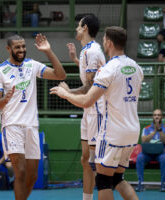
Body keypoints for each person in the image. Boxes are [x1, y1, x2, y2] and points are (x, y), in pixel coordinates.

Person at [50, 26, 142, 200]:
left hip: (112, 132)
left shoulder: (108, 70)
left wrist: (65, 94)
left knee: (103, 181)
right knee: (117, 179)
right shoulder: (136, 67)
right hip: (132, 131)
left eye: (104, 40)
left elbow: (87, 101)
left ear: (108, 42)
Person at [0, 34, 66, 200]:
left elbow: (60, 75)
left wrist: (48, 51)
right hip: (11, 125)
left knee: (32, 177)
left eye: (23, 46)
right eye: (17, 47)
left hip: (31, 125)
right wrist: (5, 98)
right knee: (21, 172)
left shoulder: (32, 65)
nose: (21, 50)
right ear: (8, 49)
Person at [65, 15, 105, 200]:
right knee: (85, 160)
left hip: (97, 108)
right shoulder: (86, 51)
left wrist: (67, 92)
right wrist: (74, 58)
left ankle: (107, 193)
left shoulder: (92, 51)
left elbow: (90, 87)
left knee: (97, 162)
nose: (76, 29)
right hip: (89, 109)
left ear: (86, 28)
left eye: (78, 26)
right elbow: (88, 72)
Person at [135, 109, 165, 192]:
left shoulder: (164, 128)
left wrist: (159, 130)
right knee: (140, 157)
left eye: (158, 115)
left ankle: (163, 184)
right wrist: (154, 131)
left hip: (160, 154)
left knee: (164, 159)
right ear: (153, 116)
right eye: (155, 115)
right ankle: (140, 183)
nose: (157, 117)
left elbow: (164, 140)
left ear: (161, 117)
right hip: (147, 154)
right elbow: (143, 140)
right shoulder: (146, 128)